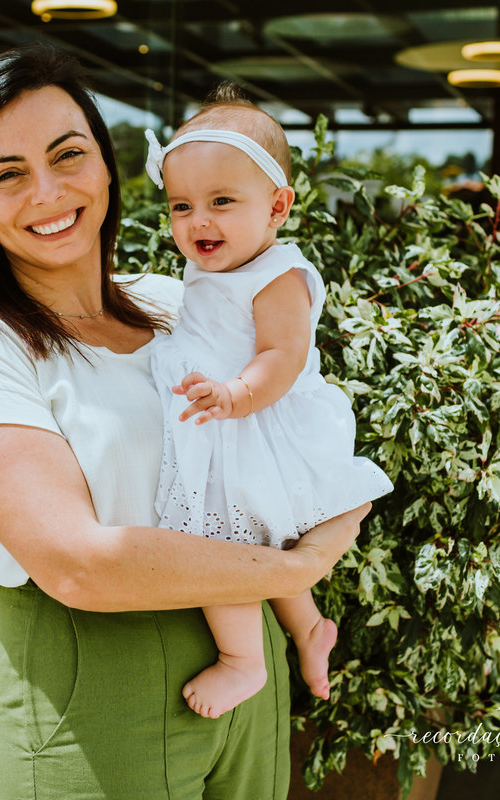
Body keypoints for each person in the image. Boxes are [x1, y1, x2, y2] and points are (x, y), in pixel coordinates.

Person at [0, 45, 370, 799]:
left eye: (70, 156)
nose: (48, 191)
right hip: (98, 679)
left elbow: (284, 420)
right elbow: (77, 562)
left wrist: (329, 519)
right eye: (7, 174)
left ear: (107, 167)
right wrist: (299, 570)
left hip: (247, 664)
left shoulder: (180, 303)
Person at [143, 87, 394, 720]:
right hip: (225, 422)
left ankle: (243, 662)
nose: (199, 221)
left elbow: (282, 356)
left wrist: (235, 395)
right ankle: (310, 630)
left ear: (277, 206)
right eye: (182, 206)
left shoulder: (278, 274)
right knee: (262, 551)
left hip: (254, 422)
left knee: (219, 546)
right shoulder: (217, 265)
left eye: (222, 202)